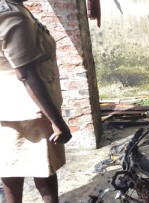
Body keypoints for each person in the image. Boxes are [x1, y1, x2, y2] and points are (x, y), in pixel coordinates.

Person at [0, 0, 72, 202]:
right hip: (30, 109)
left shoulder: (11, 9)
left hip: (7, 105)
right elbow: (26, 74)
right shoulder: (13, 15)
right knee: (43, 170)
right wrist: (58, 123)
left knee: (10, 166)